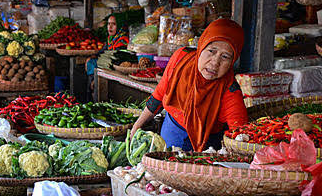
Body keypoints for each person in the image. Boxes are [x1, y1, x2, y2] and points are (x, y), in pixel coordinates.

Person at [129, 18, 248, 152]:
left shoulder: (230, 91)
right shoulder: (181, 59)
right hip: (170, 132)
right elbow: (158, 96)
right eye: (211, 51)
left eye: (225, 56)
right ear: (201, 46)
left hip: (206, 149)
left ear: (233, 61)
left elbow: (241, 138)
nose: (215, 62)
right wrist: (136, 127)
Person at [86, 15, 129, 100]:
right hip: (106, 65)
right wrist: (91, 57)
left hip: (115, 67)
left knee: (93, 64)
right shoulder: (111, 39)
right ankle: (92, 88)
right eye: (108, 24)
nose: (110, 26)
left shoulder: (123, 40)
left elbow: (116, 58)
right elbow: (101, 52)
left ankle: (94, 87)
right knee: (90, 62)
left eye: (114, 24)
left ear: (119, 26)